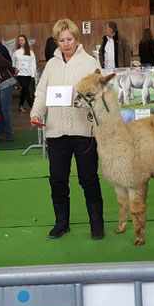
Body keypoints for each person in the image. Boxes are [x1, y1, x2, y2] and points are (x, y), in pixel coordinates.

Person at [30, 19, 104, 241]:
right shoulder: (51, 65)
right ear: (56, 41)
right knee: (57, 180)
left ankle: (96, 226)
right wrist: (36, 113)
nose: (65, 44)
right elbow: (42, 93)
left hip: (84, 131)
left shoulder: (89, 63)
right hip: (56, 133)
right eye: (61, 40)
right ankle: (61, 223)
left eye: (69, 39)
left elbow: (99, 92)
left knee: (88, 179)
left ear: (76, 38)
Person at [13, 34, 36, 113]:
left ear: (25, 41)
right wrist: (15, 72)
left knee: (24, 90)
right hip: (20, 75)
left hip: (28, 74)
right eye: (19, 40)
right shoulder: (16, 52)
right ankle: (32, 106)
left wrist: (33, 75)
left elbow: (33, 64)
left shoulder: (31, 52)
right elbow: (13, 64)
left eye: (22, 40)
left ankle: (20, 105)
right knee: (26, 89)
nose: (20, 42)